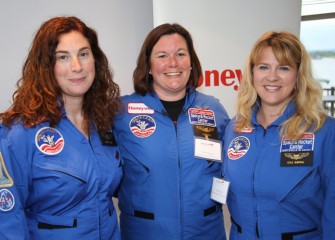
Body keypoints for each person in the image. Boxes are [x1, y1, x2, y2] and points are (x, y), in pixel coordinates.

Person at [0, 16, 122, 239]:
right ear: (46, 67)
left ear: (95, 60)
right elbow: (6, 216)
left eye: (83, 54)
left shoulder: (105, 121)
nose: (77, 67)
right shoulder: (19, 131)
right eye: (63, 57)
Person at [113, 23, 229, 240]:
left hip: (206, 233)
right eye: (162, 55)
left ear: (191, 62)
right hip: (145, 233)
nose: (173, 63)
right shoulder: (120, 113)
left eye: (181, 54)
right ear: (148, 66)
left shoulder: (214, 110)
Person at [222, 31, 335, 239]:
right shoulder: (235, 128)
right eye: (263, 67)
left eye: (283, 68)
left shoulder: (324, 132)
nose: (272, 76)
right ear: (252, 73)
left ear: (298, 75)